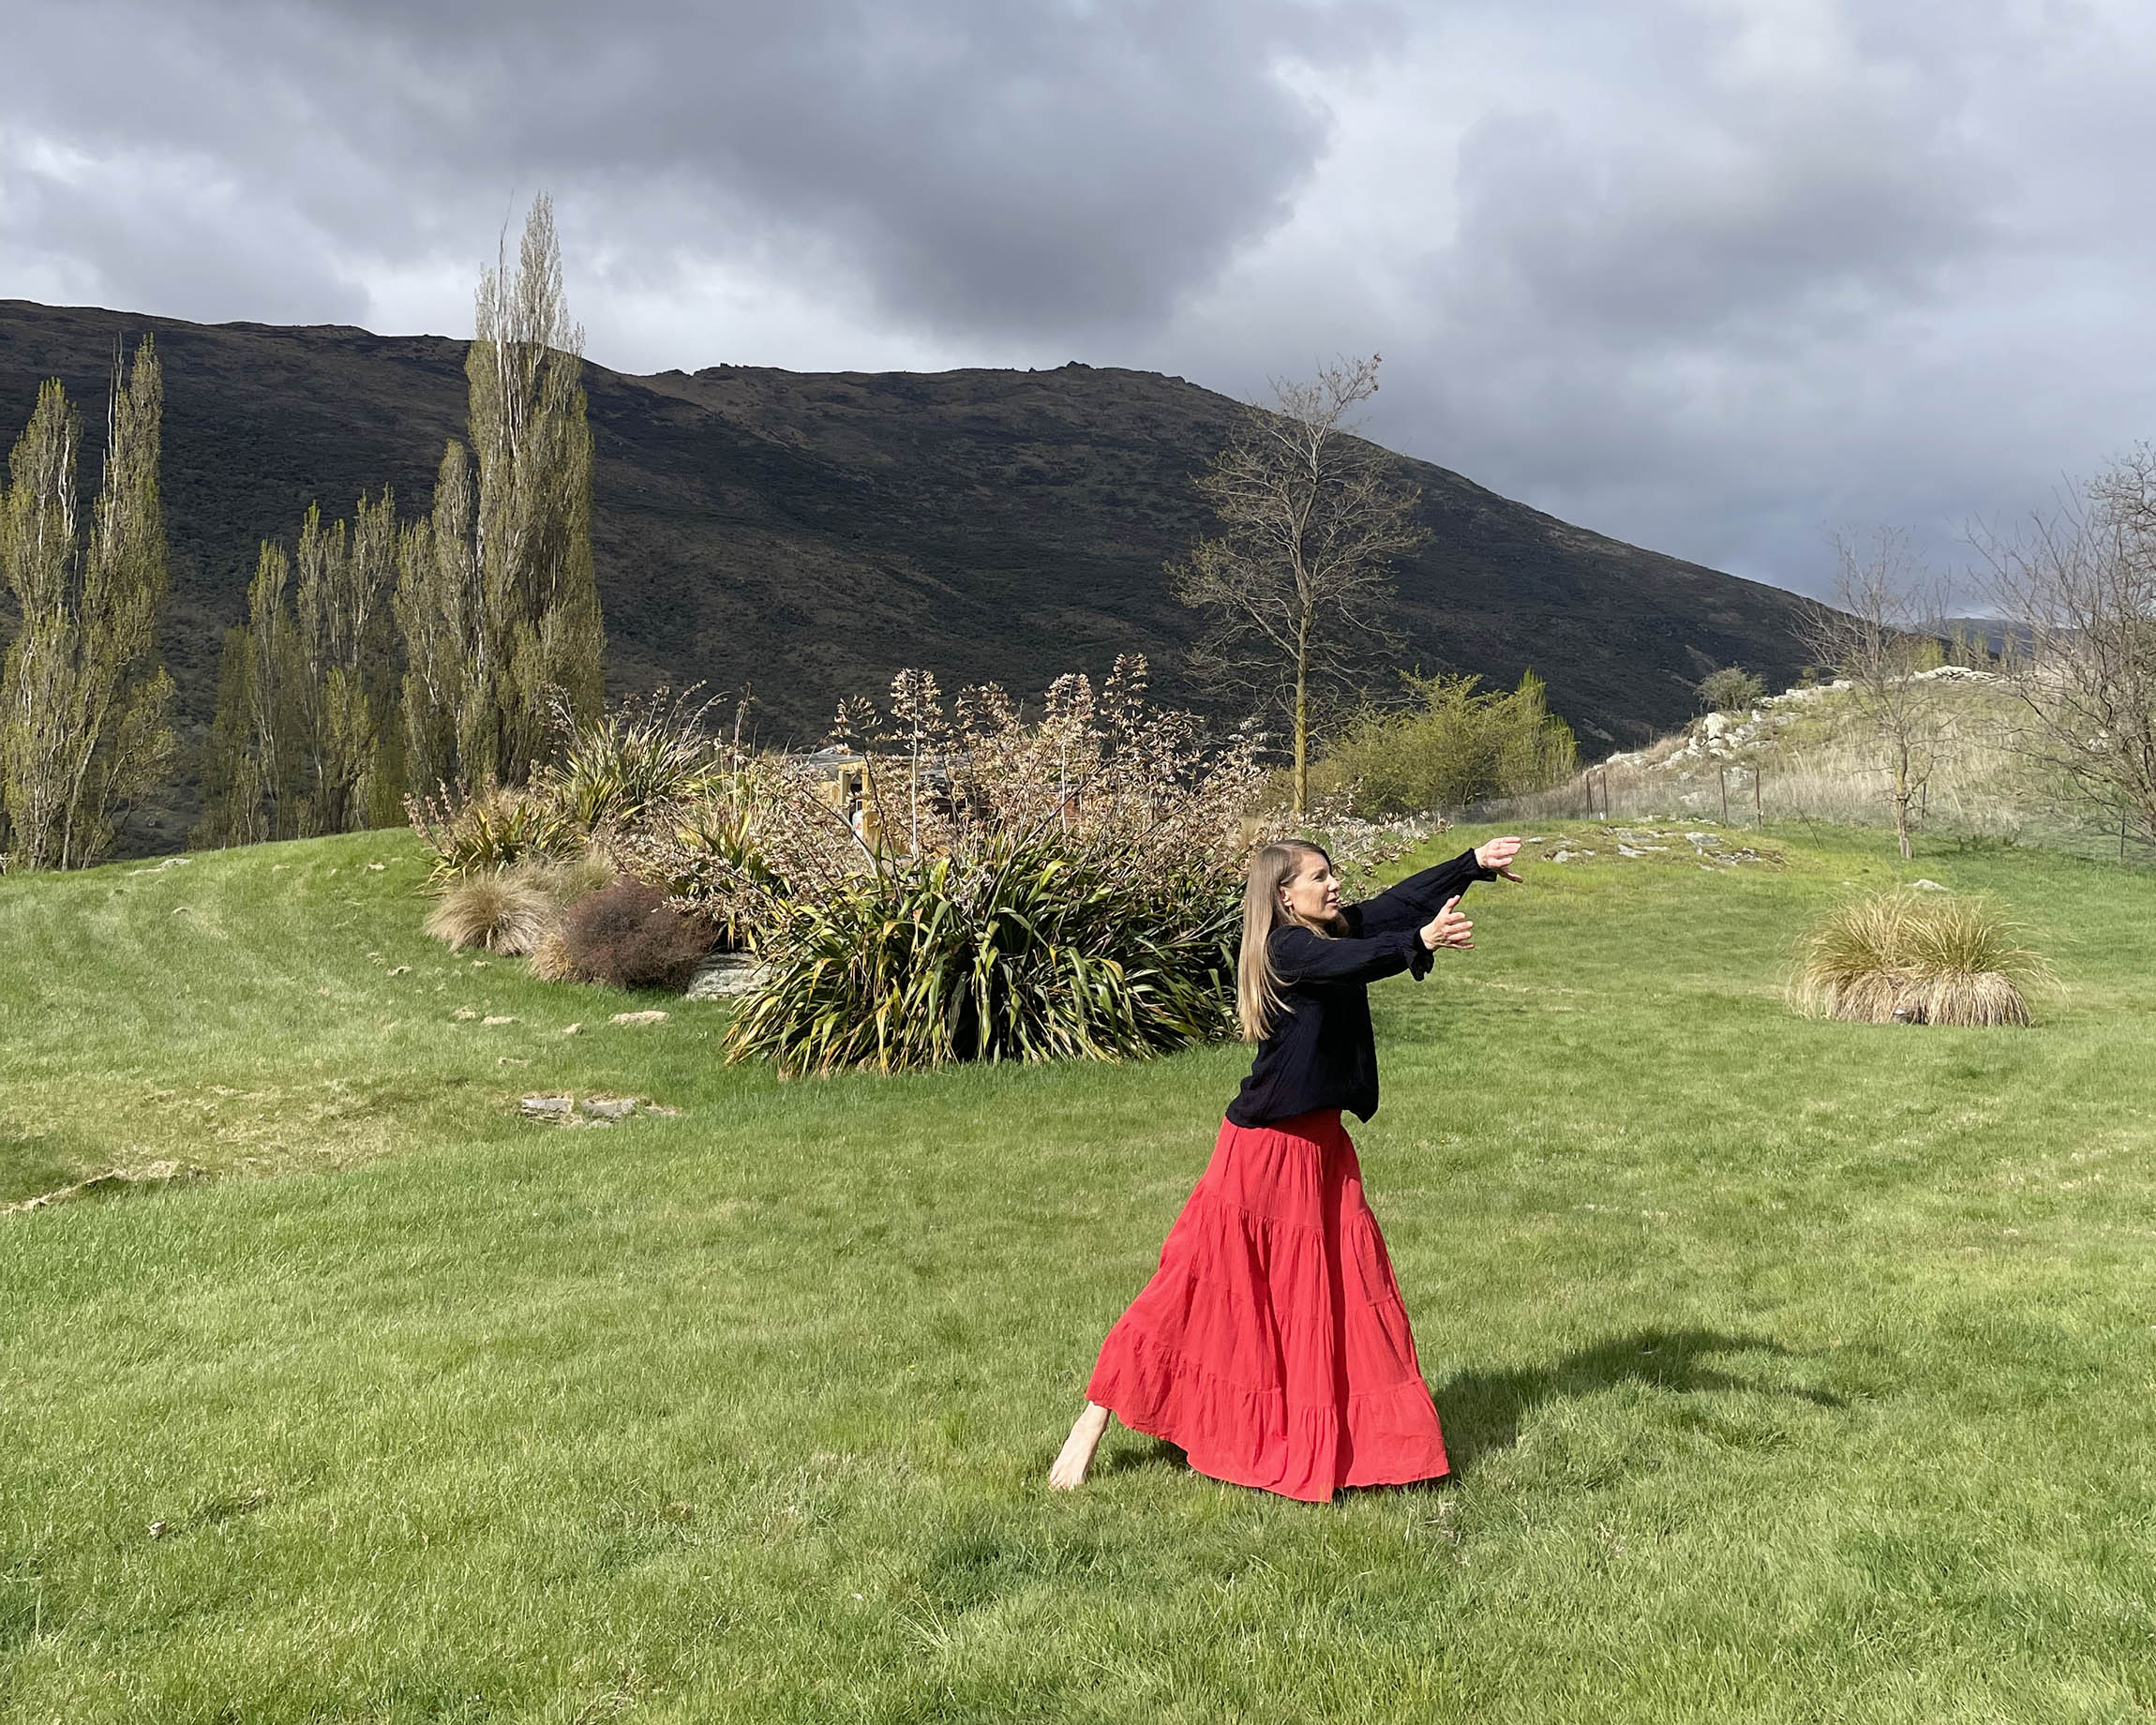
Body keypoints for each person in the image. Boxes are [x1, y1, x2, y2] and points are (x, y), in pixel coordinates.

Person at [1048, 832, 1525, 1501]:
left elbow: (1390, 908)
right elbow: (1360, 959)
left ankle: (1352, 1443)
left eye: (1332, 875)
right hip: (1262, 1154)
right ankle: (1093, 1419)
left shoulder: (1327, 931)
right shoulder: (1289, 950)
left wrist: (1469, 866)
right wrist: (1419, 943)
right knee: (1194, 1288)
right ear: (1284, 894)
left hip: (1322, 1149)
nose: (1334, 886)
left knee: (1341, 1292)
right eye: (1320, 877)